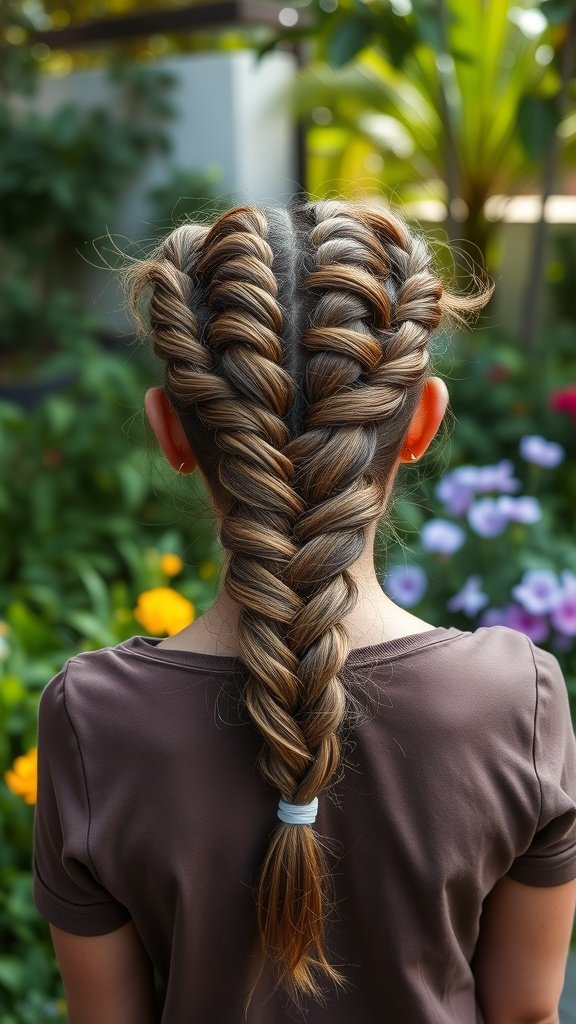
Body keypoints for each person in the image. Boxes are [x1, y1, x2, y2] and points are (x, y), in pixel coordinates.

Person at [33, 200, 576, 1024]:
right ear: (423, 423)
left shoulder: (93, 720)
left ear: (171, 434)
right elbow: (527, 1011)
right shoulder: (515, 701)